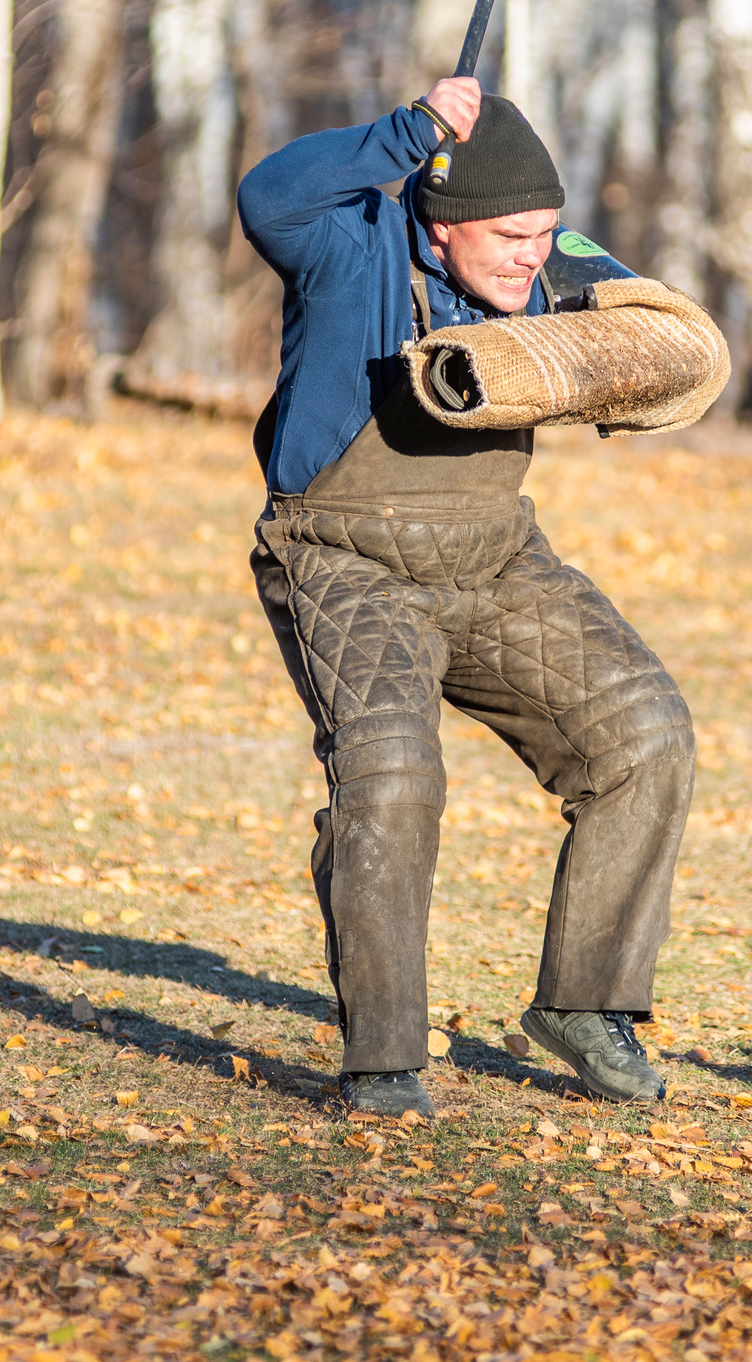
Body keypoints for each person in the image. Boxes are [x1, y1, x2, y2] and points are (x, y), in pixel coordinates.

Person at [235, 77, 696, 1118]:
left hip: (496, 559)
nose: (533, 255)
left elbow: (659, 328)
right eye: (509, 236)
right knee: (391, 775)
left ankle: (587, 1004)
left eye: (545, 232)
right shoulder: (351, 249)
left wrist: (641, 360)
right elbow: (269, 195)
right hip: (344, 559)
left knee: (646, 734)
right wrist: (413, 130)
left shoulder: (550, 267)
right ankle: (384, 1056)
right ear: (441, 227)